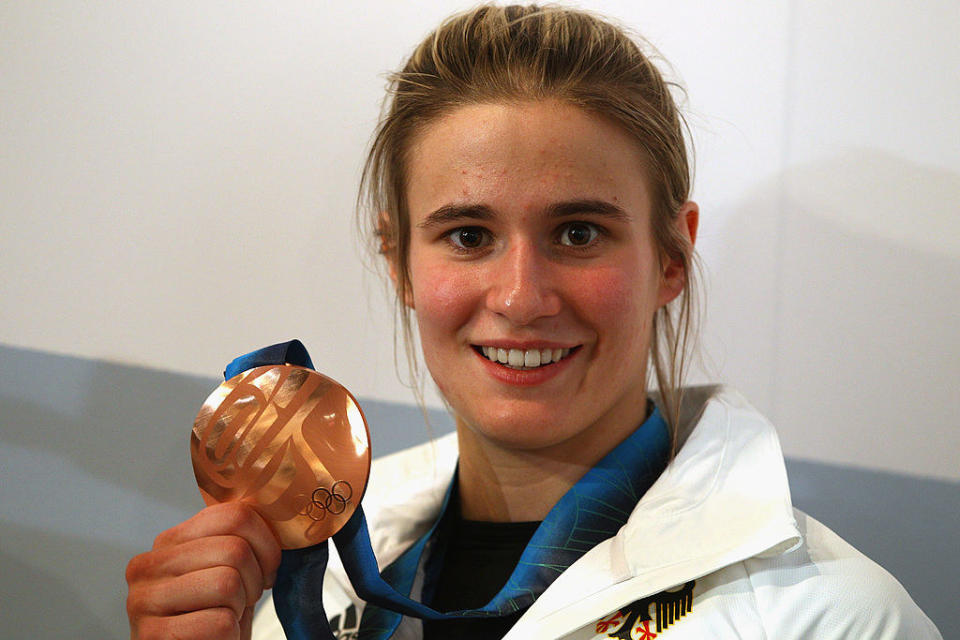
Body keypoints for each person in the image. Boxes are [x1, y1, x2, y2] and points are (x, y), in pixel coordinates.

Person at [126, 5, 943, 639]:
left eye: (579, 233)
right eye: (469, 236)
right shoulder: (301, 588)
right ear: (399, 260)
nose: (521, 297)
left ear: (670, 258)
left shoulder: (829, 616)